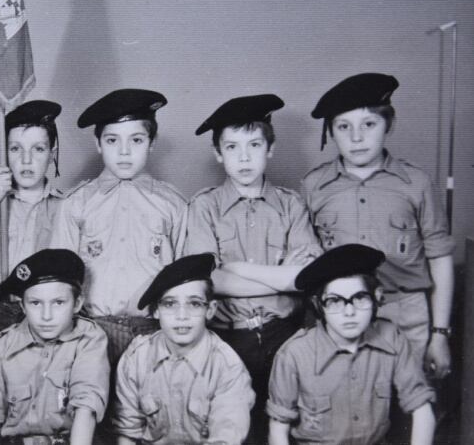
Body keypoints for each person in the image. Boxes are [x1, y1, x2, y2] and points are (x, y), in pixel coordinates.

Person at [183, 93, 321, 442]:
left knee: (285, 429)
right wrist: (281, 280)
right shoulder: (205, 207)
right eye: (231, 147)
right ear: (218, 153)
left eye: (254, 145)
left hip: (286, 336)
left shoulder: (291, 206)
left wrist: (237, 268)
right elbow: (208, 280)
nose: (244, 157)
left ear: (269, 148)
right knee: (231, 429)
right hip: (227, 340)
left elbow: (306, 278)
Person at [303, 73, 455, 377]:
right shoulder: (313, 186)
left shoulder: (418, 184)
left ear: (389, 124)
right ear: (330, 132)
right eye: (344, 127)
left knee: (408, 409)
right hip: (337, 315)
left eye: (368, 124)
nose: (356, 138)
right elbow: (306, 262)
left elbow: (440, 259)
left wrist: (439, 334)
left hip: (405, 315)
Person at [50, 88, 187, 365]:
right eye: (112, 140)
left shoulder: (173, 204)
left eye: (136, 140)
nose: (124, 152)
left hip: (154, 333)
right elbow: (60, 281)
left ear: (152, 142)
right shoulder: (76, 204)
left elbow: (185, 278)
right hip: (92, 332)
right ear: (98, 143)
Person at [267, 244, 436, 445]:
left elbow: (422, 409)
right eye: (334, 301)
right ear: (318, 305)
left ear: (377, 298)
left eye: (359, 298)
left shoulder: (392, 339)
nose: (349, 312)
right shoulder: (294, 354)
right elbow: (278, 430)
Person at [114, 253, 254, 445]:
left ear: (210, 310)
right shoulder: (136, 357)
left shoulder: (227, 367)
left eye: (194, 304)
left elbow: (225, 439)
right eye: (170, 304)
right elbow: (128, 434)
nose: (182, 315)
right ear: (156, 311)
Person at [0, 249, 110, 445]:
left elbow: (86, 404)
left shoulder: (89, 339)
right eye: (35, 303)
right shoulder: (1, 347)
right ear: (22, 306)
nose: (46, 315)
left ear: (77, 304)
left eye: (58, 303)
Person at [0, 100, 65, 347]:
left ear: (52, 155)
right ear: (4, 154)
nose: (26, 159)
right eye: (15, 149)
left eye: (38, 149)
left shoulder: (66, 207)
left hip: (46, 312)